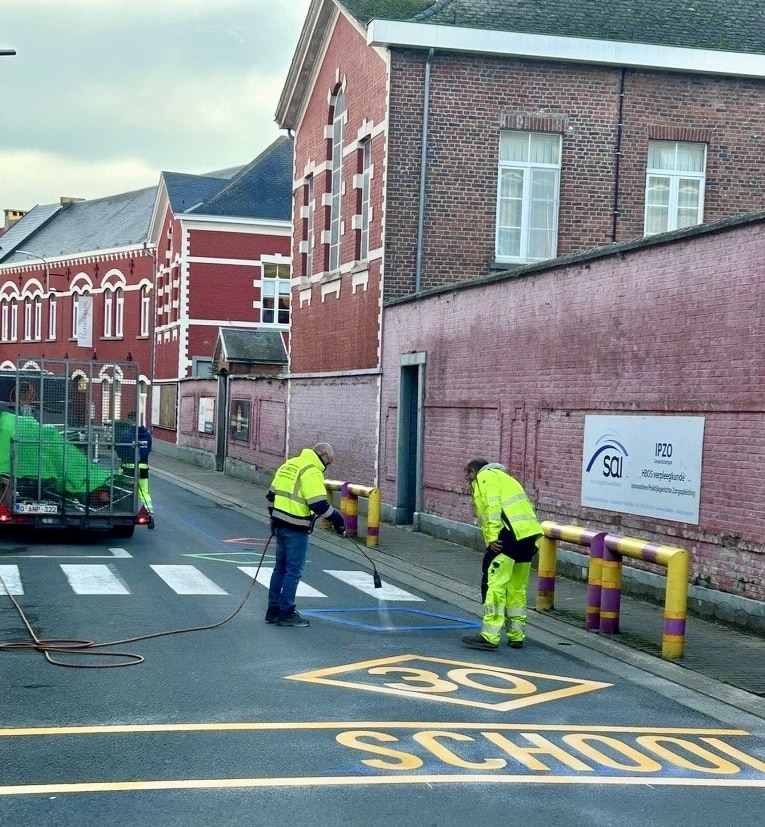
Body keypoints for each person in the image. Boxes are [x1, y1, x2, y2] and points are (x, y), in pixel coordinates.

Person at [460, 458, 543, 651]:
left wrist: (491, 537)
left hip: (508, 536)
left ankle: (489, 636)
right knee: (517, 588)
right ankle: (516, 635)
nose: (468, 481)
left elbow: (492, 507)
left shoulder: (485, 477)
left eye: (467, 476)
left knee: (495, 585)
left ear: (474, 471)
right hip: (528, 536)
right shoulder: (508, 479)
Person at [265, 442, 346, 627]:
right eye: (329, 461)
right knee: (293, 571)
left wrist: (273, 519)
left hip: (279, 525)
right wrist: (339, 521)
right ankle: (286, 613)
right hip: (296, 527)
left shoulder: (289, 464)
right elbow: (318, 504)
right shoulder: (312, 471)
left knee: (280, 569)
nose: (328, 466)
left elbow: (271, 496)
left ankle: (273, 610)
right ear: (323, 454)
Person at [115, 412, 154, 529]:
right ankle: (150, 515)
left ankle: (120, 510)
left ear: (130, 420)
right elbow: (149, 449)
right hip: (142, 466)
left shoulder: (126, 434)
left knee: (119, 488)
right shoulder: (147, 434)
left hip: (127, 467)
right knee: (144, 492)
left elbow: (120, 450)